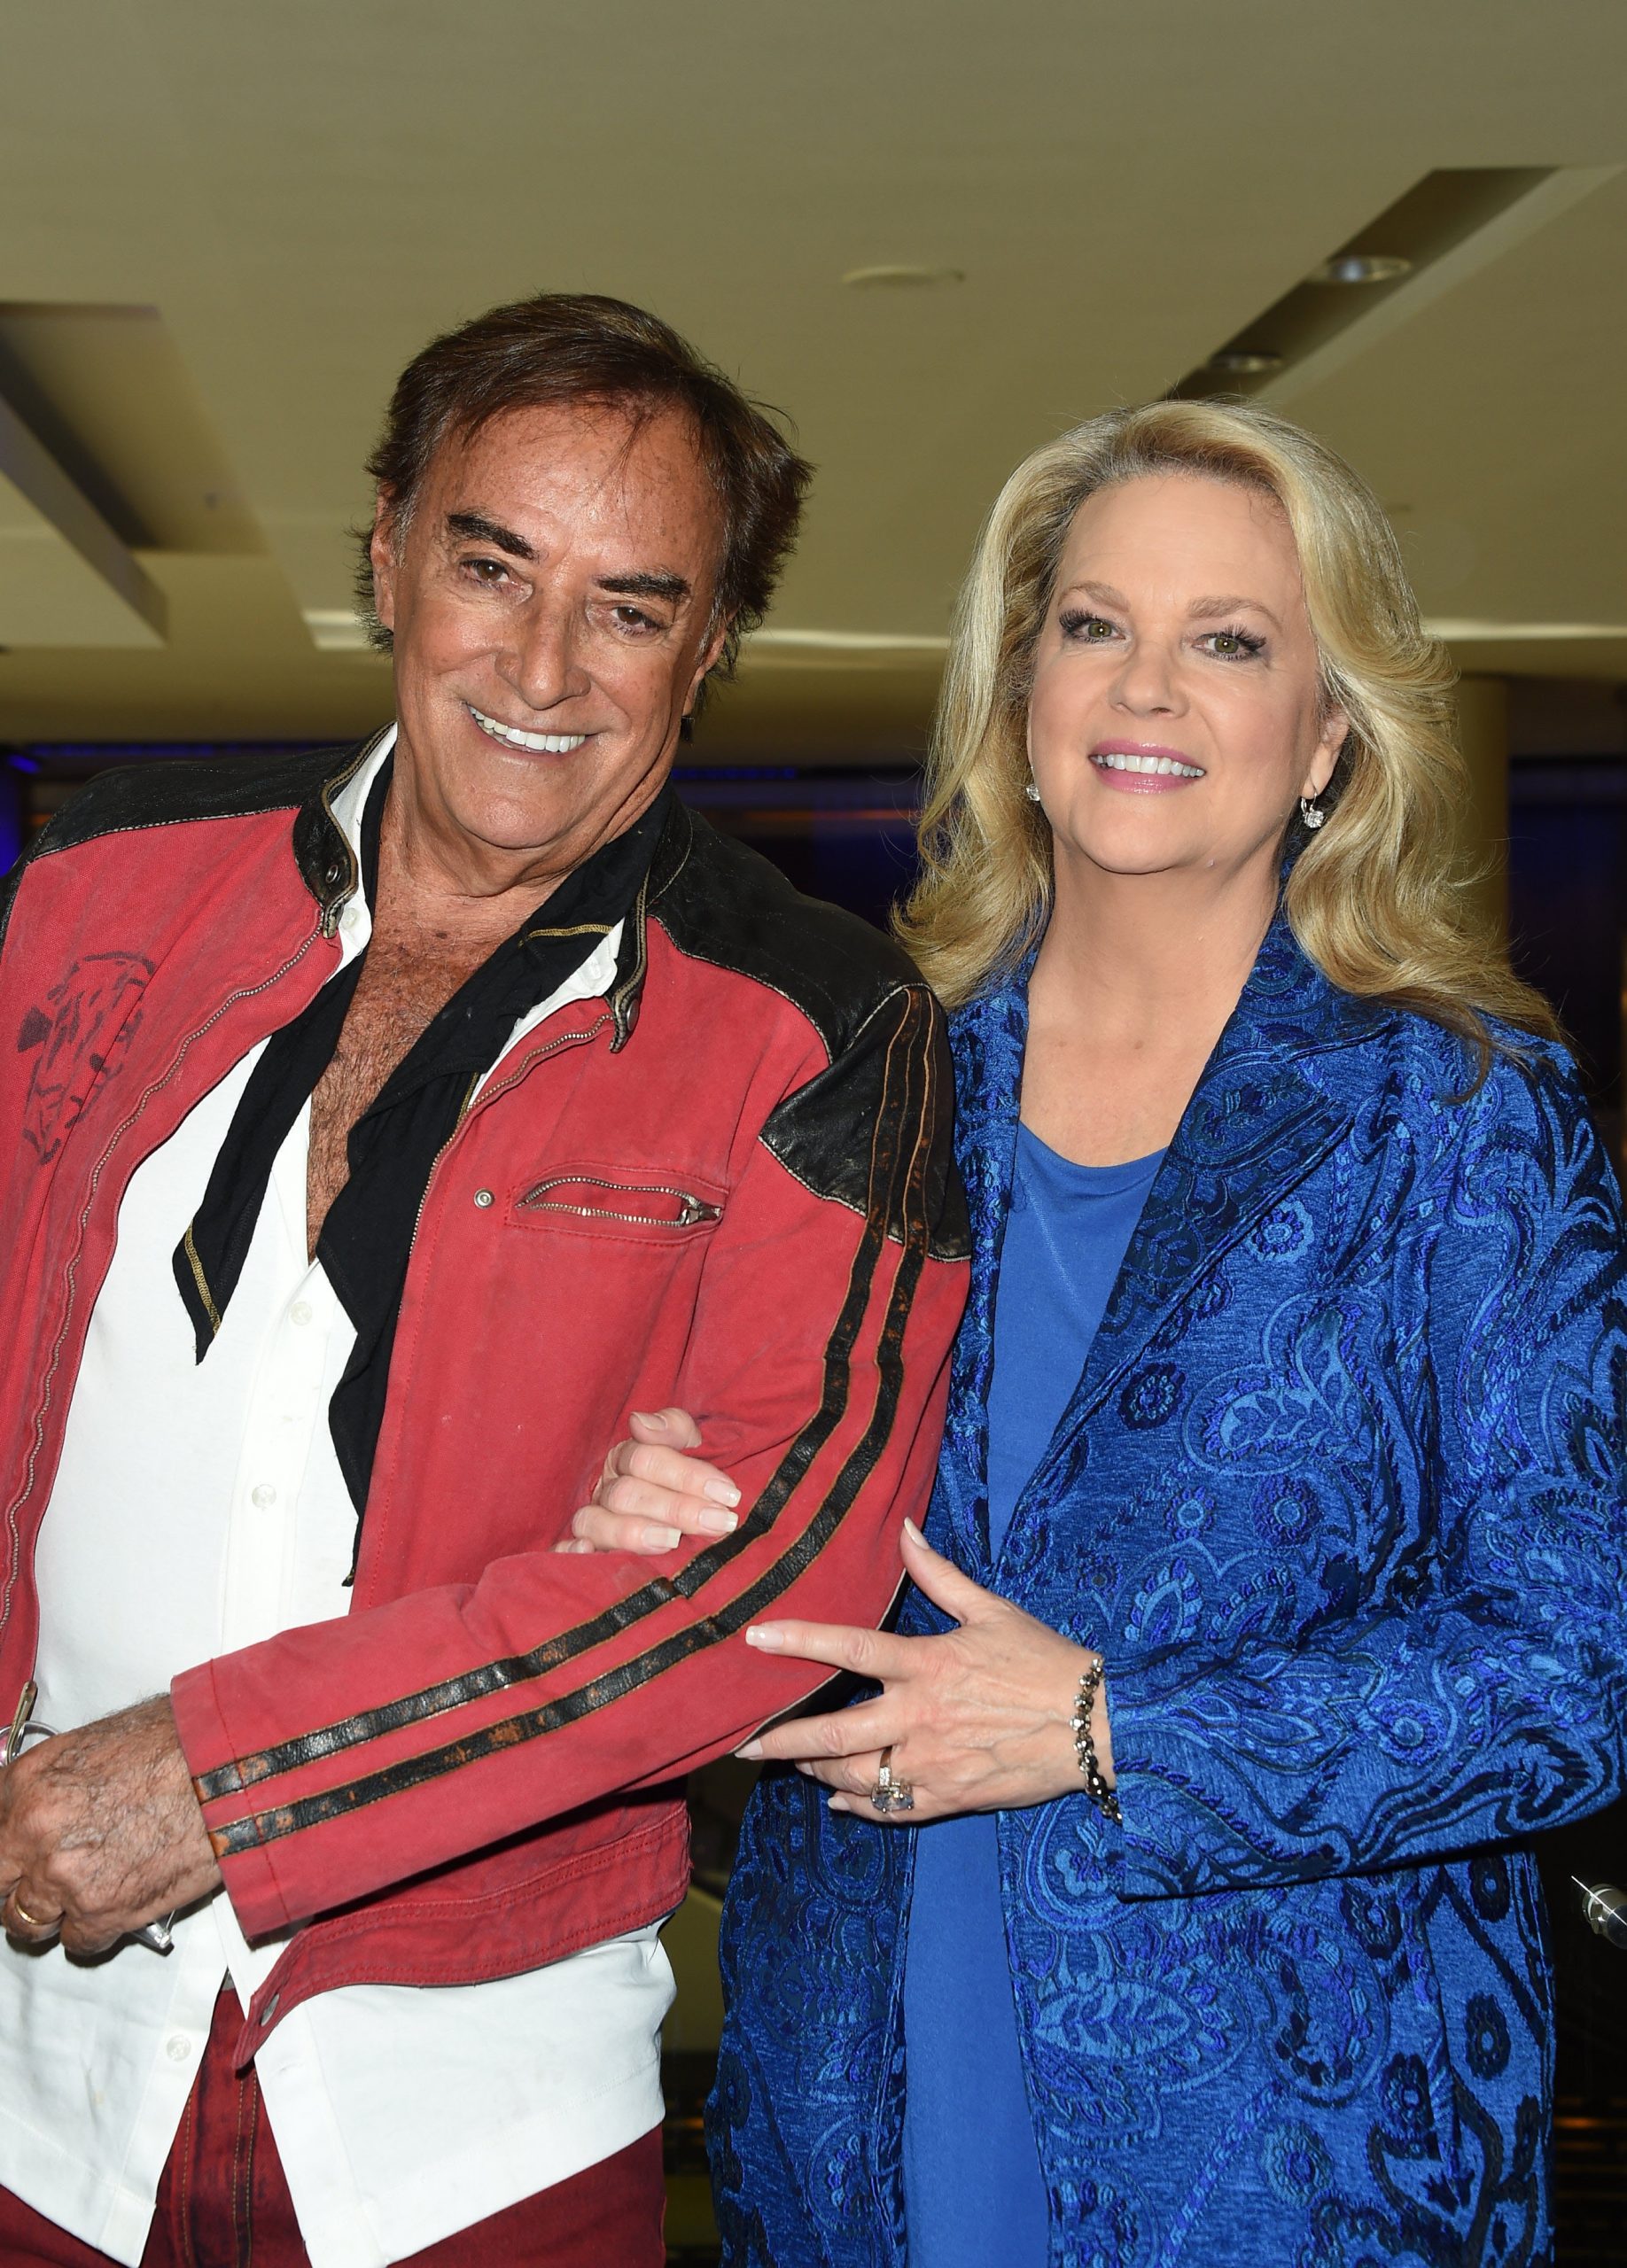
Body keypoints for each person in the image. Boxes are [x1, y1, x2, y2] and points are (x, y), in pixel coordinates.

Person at [568, 400, 1627, 2264]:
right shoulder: (849, 1082)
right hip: (853, 2111)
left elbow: (1577, 1671)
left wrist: (1106, 1726)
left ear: (1330, 734)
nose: (1147, 688)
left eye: (1230, 641)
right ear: (1022, 693)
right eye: (1093, 625)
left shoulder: (1458, 1117)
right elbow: (781, 1596)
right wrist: (682, 1523)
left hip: (1291, 2156)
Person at [0, 291, 969, 2268]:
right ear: (386, 554)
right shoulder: (101, 886)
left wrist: (233, 1783)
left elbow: (766, 1584)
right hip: (34, 2082)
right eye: (491, 565)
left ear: (709, 643)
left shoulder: (824, 1027)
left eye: (631, 606)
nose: (542, 668)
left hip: (472, 2123)